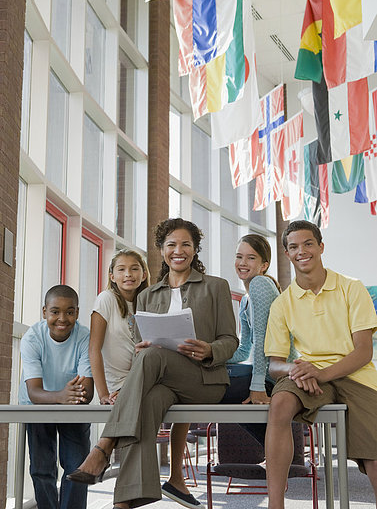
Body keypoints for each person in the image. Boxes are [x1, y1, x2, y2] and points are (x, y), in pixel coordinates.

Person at [67, 217, 238, 509]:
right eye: (171, 244)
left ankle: (104, 446)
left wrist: (209, 349)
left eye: (186, 244)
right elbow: (141, 350)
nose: (178, 250)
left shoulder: (216, 287)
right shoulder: (147, 295)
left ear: (195, 249)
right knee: (148, 400)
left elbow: (231, 341)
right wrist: (141, 350)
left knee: (152, 356)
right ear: (161, 250)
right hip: (162, 382)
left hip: (204, 380)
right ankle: (126, 501)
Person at [264, 219, 377, 508]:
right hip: (307, 376)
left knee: (373, 452)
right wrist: (295, 369)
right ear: (287, 254)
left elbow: (363, 352)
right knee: (280, 403)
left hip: (356, 375)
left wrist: (321, 372)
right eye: (293, 247)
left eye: (308, 243)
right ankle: (276, 504)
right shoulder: (282, 303)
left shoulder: (352, 288)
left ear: (321, 246)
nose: (301, 251)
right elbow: (274, 365)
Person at [19, 284, 94, 509]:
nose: (62, 318)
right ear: (44, 312)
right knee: (42, 469)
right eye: (55, 311)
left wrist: (65, 397)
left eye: (70, 312)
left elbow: (87, 392)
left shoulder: (84, 337)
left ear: (77, 313)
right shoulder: (32, 338)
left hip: (72, 406)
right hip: (37, 407)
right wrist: (61, 395)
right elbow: (34, 392)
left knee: (77, 468)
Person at [222, 234, 295, 446]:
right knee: (216, 383)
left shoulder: (260, 284)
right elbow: (244, 349)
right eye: (239, 257)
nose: (243, 263)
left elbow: (264, 340)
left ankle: (280, 450)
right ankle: (277, 451)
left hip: (275, 377)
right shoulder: (245, 299)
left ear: (264, 265)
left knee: (215, 390)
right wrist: (213, 358)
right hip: (266, 373)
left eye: (251, 258)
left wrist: (257, 386)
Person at [89, 249, 150, 405]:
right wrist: (103, 394)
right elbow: (94, 349)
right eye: (121, 269)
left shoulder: (148, 303)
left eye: (134, 268)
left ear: (143, 275)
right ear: (112, 276)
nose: (128, 274)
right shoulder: (106, 299)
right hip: (116, 386)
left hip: (143, 382)